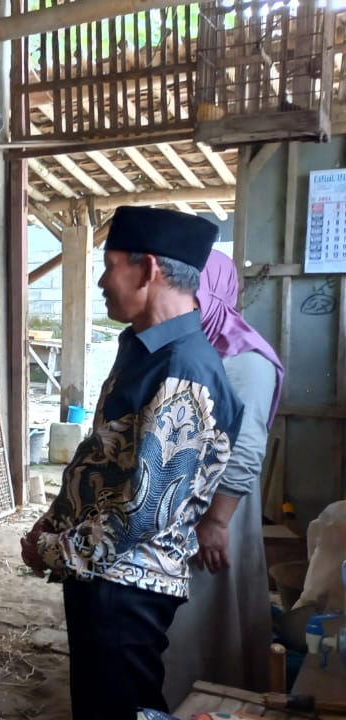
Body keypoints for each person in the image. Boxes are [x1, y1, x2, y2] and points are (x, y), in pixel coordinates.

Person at [19, 207, 244, 720]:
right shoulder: (145, 350)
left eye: (110, 265)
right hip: (103, 573)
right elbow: (101, 456)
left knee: (119, 708)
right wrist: (54, 521)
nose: (101, 280)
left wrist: (54, 550)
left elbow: (144, 511)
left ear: (147, 269)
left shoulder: (183, 369)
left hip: (127, 585)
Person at [161, 249, 285, 707]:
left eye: (194, 296)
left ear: (214, 294)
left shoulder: (246, 359)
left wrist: (216, 522)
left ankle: (217, 701)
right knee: (185, 621)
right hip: (184, 506)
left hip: (220, 507)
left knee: (213, 613)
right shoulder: (187, 348)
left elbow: (246, 449)